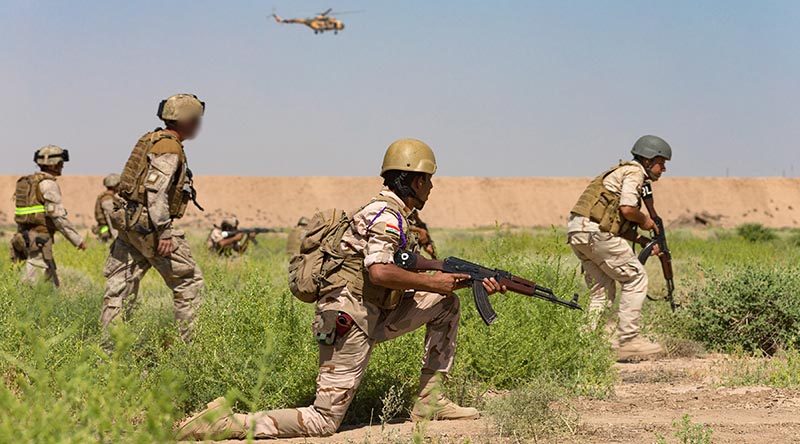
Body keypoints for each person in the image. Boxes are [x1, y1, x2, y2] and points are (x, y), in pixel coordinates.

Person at [177, 138, 506, 440]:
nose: (432, 187)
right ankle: (223, 423)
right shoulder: (386, 216)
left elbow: (407, 262)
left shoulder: (394, 214)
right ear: (416, 181)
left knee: (445, 303)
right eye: (429, 179)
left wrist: (459, 275)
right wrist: (432, 281)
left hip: (375, 309)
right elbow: (379, 271)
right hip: (350, 315)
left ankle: (431, 401)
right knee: (323, 421)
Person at [99, 94, 205, 345]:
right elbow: (155, 191)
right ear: (187, 121)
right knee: (188, 282)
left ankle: (109, 351)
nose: (199, 125)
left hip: (130, 224)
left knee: (119, 288)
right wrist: (164, 232)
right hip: (150, 228)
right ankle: (190, 350)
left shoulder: (151, 139)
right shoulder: (169, 148)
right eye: (197, 120)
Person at [567, 135, 672, 361]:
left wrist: (643, 241)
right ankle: (629, 340)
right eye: (661, 162)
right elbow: (626, 209)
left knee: (602, 292)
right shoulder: (634, 173)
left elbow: (611, 221)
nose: (663, 168)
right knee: (635, 277)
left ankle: (582, 344)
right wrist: (646, 221)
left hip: (579, 231)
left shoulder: (619, 172)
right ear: (647, 159)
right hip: (595, 232)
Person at [12, 145, 86, 286]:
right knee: (34, 284)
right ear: (55, 164)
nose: (62, 166)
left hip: (24, 238)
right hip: (40, 239)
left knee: (48, 278)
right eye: (61, 163)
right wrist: (77, 240)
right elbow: (58, 217)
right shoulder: (48, 184)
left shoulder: (28, 183)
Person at [93, 174, 121, 243]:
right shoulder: (108, 199)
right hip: (107, 229)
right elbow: (112, 219)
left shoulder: (105, 197)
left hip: (104, 227)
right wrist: (116, 236)